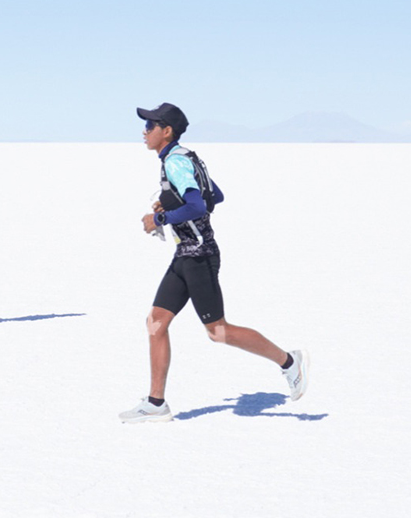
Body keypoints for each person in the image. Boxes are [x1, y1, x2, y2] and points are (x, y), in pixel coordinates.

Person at [120, 103, 309, 423]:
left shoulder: (177, 164)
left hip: (201, 257)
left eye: (151, 125)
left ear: (167, 131)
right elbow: (215, 196)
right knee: (155, 323)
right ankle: (156, 404)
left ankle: (289, 362)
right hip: (184, 255)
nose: (145, 131)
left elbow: (197, 206)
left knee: (218, 331)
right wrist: (170, 199)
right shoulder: (183, 158)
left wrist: (160, 216)